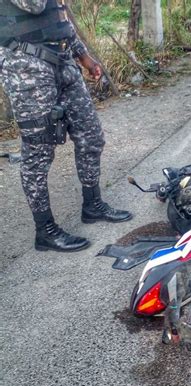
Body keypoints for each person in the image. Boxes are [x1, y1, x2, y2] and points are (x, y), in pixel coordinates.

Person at [0, 0, 132, 253]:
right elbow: (34, 6)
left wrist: (84, 57)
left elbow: (59, 16)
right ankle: (45, 231)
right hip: (25, 67)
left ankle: (93, 205)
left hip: (62, 59)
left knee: (91, 136)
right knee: (38, 152)